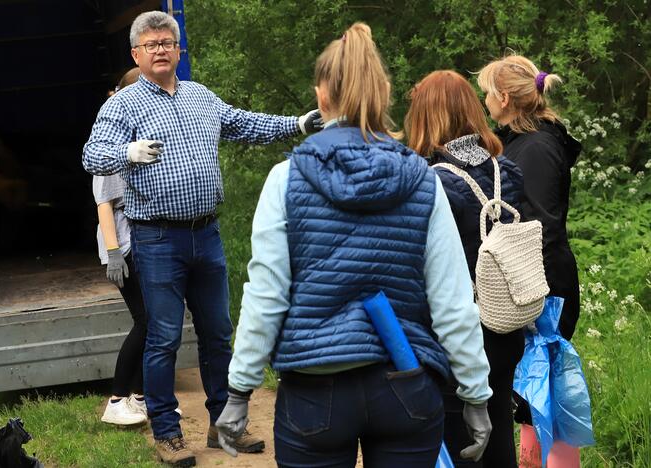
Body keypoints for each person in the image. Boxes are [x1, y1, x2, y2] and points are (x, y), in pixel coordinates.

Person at [215, 23, 492, 468]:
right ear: (383, 94)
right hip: (405, 384)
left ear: (321, 98)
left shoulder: (286, 180)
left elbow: (266, 295)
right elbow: (453, 299)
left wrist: (239, 389)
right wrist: (475, 392)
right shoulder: (424, 179)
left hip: (315, 392)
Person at [82, 11, 322, 467]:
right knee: (164, 338)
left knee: (218, 334)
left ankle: (223, 424)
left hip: (205, 234)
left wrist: (298, 123)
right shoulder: (122, 105)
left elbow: (246, 124)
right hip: (156, 240)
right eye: (150, 44)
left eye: (166, 43)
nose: (159, 50)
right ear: (136, 53)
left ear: (178, 50)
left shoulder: (201, 97)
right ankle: (168, 433)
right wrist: (126, 152)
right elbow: (92, 155)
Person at [405, 70, 525, 467]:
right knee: (499, 432)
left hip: (455, 335)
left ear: (426, 117)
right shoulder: (506, 171)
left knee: (458, 442)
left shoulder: (429, 182)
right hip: (506, 326)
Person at [478, 55, 583, 465]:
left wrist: (524, 291)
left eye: (488, 92)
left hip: (542, 289)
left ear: (504, 97)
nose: (485, 100)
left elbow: (541, 226)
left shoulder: (536, 147)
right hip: (535, 283)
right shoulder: (528, 141)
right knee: (531, 398)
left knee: (542, 400)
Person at [94, 67, 149, 427]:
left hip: (143, 240)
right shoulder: (110, 143)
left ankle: (140, 398)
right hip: (123, 244)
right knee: (146, 320)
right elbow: (104, 203)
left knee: (155, 322)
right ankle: (117, 400)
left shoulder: (138, 137)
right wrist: (115, 253)